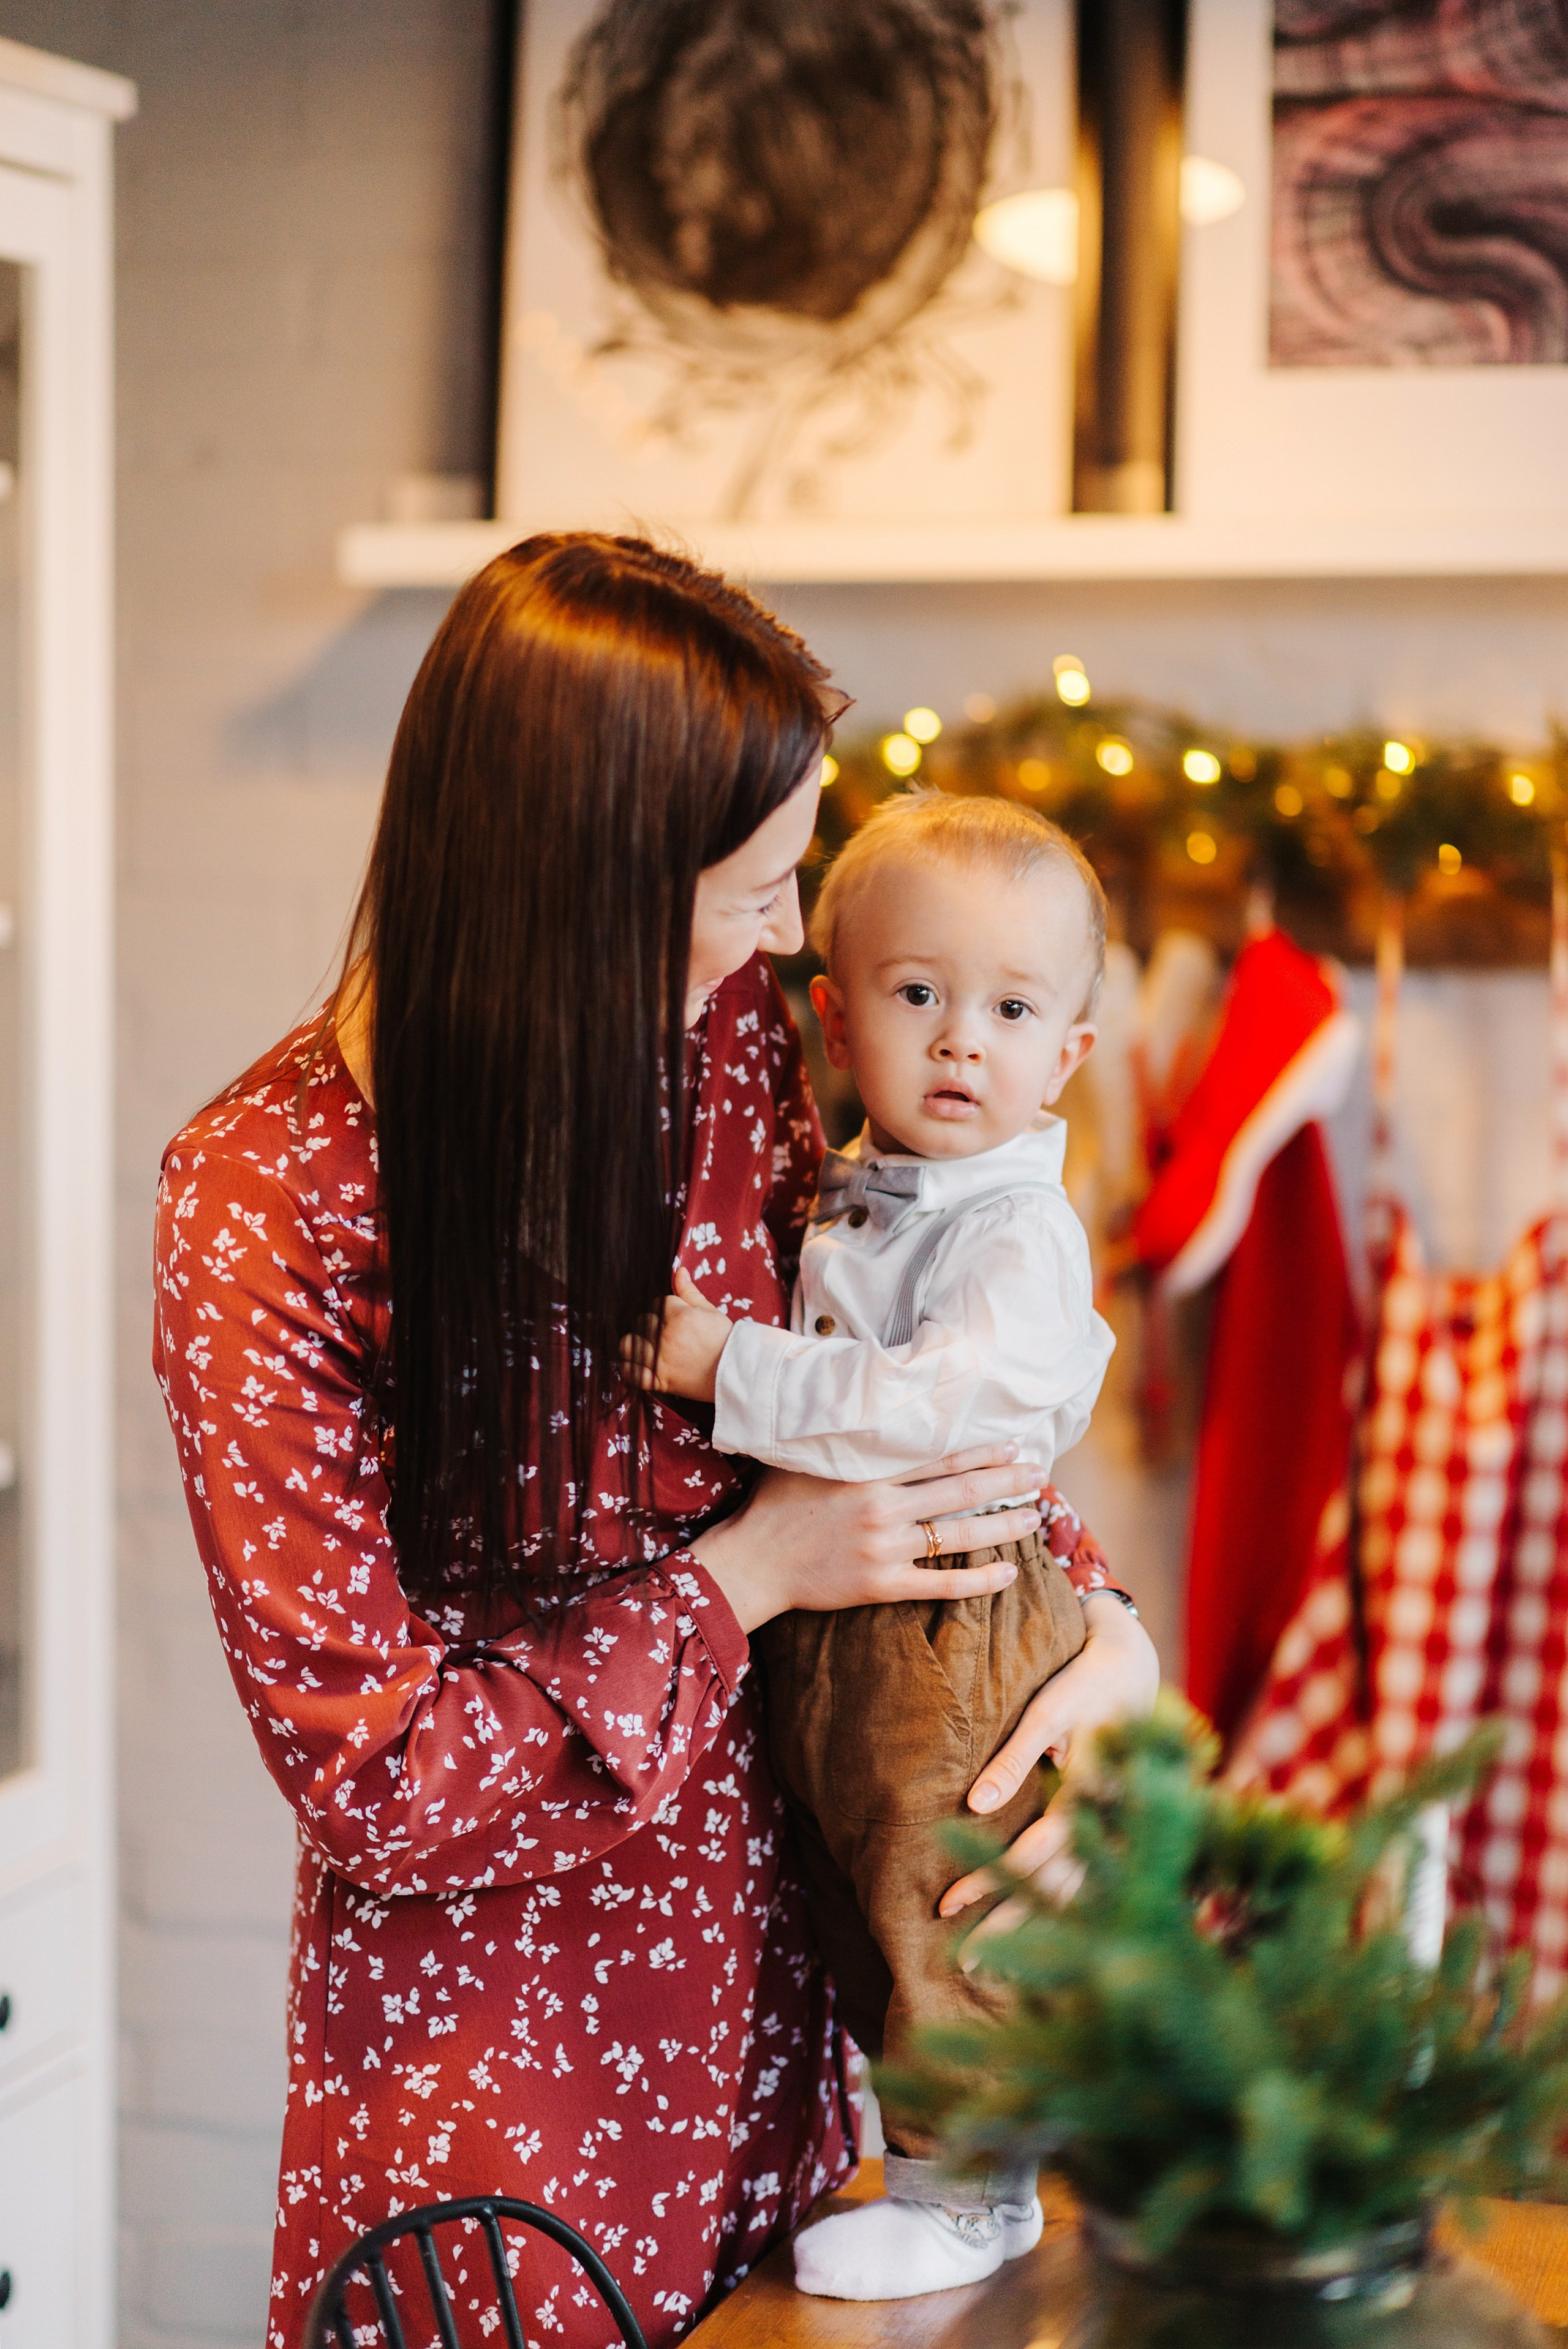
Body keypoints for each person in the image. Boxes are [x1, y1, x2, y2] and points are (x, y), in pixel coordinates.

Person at [152, 534, 1158, 2349]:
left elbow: (898, 1368)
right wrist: (745, 1575)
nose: (792, 943)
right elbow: (379, 1777)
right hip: (507, 2111)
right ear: (585, 878)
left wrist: (1103, 1621)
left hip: (781, 2033)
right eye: (754, 890)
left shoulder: (725, 1055)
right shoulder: (270, 1201)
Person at [632, 791, 1120, 2299]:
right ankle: (936, 2161)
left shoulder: (1013, 1232)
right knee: (862, 1899)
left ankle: (972, 2189)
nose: (962, 1039)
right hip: (849, 1626)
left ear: (1068, 1054)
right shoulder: (860, 1178)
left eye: (1010, 1008)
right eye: (920, 995)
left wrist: (731, 1367)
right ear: (838, 1019)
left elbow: (934, 1412)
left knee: (939, 1891)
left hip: (949, 1621)